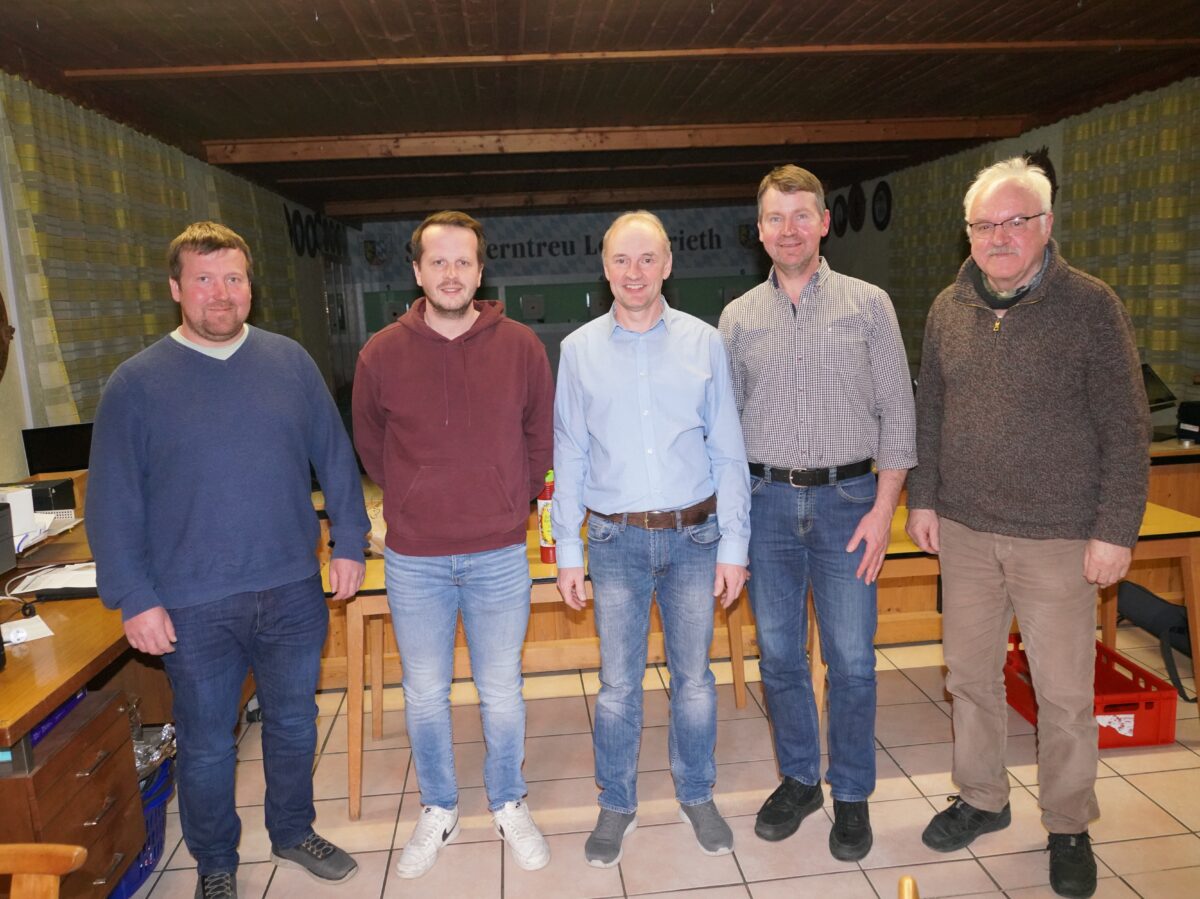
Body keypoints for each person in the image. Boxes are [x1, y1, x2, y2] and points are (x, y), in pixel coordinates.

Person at [88, 221, 369, 899]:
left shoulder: (289, 362)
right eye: (205, 279)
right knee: (208, 742)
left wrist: (350, 542)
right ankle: (215, 860)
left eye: (234, 278)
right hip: (192, 602)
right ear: (176, 288)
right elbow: (112, 500)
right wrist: (135, 596)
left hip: (292, 587)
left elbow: (336, 456)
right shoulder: (136, 384)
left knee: (294, 723)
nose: (221, 293)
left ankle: (293, 830)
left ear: (250, 286)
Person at [906, 157, 1149, 899]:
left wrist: (1116, 529)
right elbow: (930, 410)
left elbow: (1126, 424)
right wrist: (924, 499)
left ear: (1046, 225)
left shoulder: (1091, 306)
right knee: (969, 678)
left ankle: (1068, 824)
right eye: (985, 224)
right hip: (966, 531)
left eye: (1016, 221)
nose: (999, 236)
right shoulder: (949, 308)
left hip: (1059, 537)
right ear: (968, 233)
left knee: (1064, 693)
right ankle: (982, 797)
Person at [718, 165, 916, 861]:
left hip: (849, 505)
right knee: (779, 656)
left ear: (825, 223)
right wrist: (732, 529)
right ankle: (801, 779)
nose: (790, 229)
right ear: (760, 230)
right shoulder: (738, 318)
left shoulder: (869, 305)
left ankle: (852, 791)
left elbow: (899, 415)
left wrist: (884, 510)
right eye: (776, 217)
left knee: (852, 659)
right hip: (767, 505)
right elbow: (724, 432)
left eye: (802, 215)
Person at [352, 210, 555, 878]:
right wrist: (417, 498)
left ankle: (508, 800)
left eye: (463, 261)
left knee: (501, 690)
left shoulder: (520, 346)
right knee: (424, 693)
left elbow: (540, 436)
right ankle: (438, 806)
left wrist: (510, 501)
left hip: (498, 552)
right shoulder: (380, 353)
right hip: (415, 559)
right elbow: (371, 444)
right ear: (416, 271)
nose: (450, 273)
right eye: (437, 261)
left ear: (480, 270)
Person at [552, 210, 751, 867]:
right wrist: (570, 551)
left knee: (694, 679)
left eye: (646, 259)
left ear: (668, 264)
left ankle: (697, 793)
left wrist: (734, 546)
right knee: (617, 685)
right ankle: (617, 803)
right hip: (615, 543)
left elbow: (728, 450)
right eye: (621, 260)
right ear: (604, 268)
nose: (634, 272)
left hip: (696, 539)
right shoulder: (578, 350)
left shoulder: (704, 342)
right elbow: (570, 453)